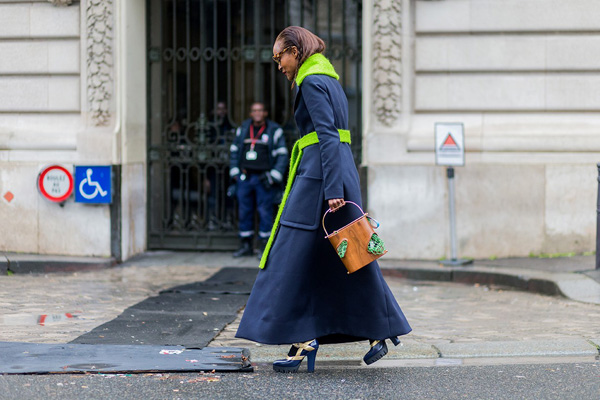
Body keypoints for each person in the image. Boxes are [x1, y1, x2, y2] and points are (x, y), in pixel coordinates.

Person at [235, 26, 412, 373]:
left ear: (295, 50)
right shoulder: (329, 78)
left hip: (319, 180)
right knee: (345, 256)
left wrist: (331, 190)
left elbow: (327, 136)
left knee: (289, 257)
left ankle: (310, 336)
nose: (279, 64)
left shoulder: (311, 81)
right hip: (335, 174)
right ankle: (358, 333)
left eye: (280, 56)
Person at [229, 102, 288, 258]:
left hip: (264, 179)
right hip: (245, 178)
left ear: (265, 113)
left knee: (265, 212)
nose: (257, 113)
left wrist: (274, 176)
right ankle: (245, 245)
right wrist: (235, 172)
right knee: (244, 211)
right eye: (254, 110)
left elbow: (282, 155)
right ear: (250, 113)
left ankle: (264, 247)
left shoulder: (274, 130)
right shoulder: (243, 129)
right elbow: (234, 150)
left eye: (260, 110)